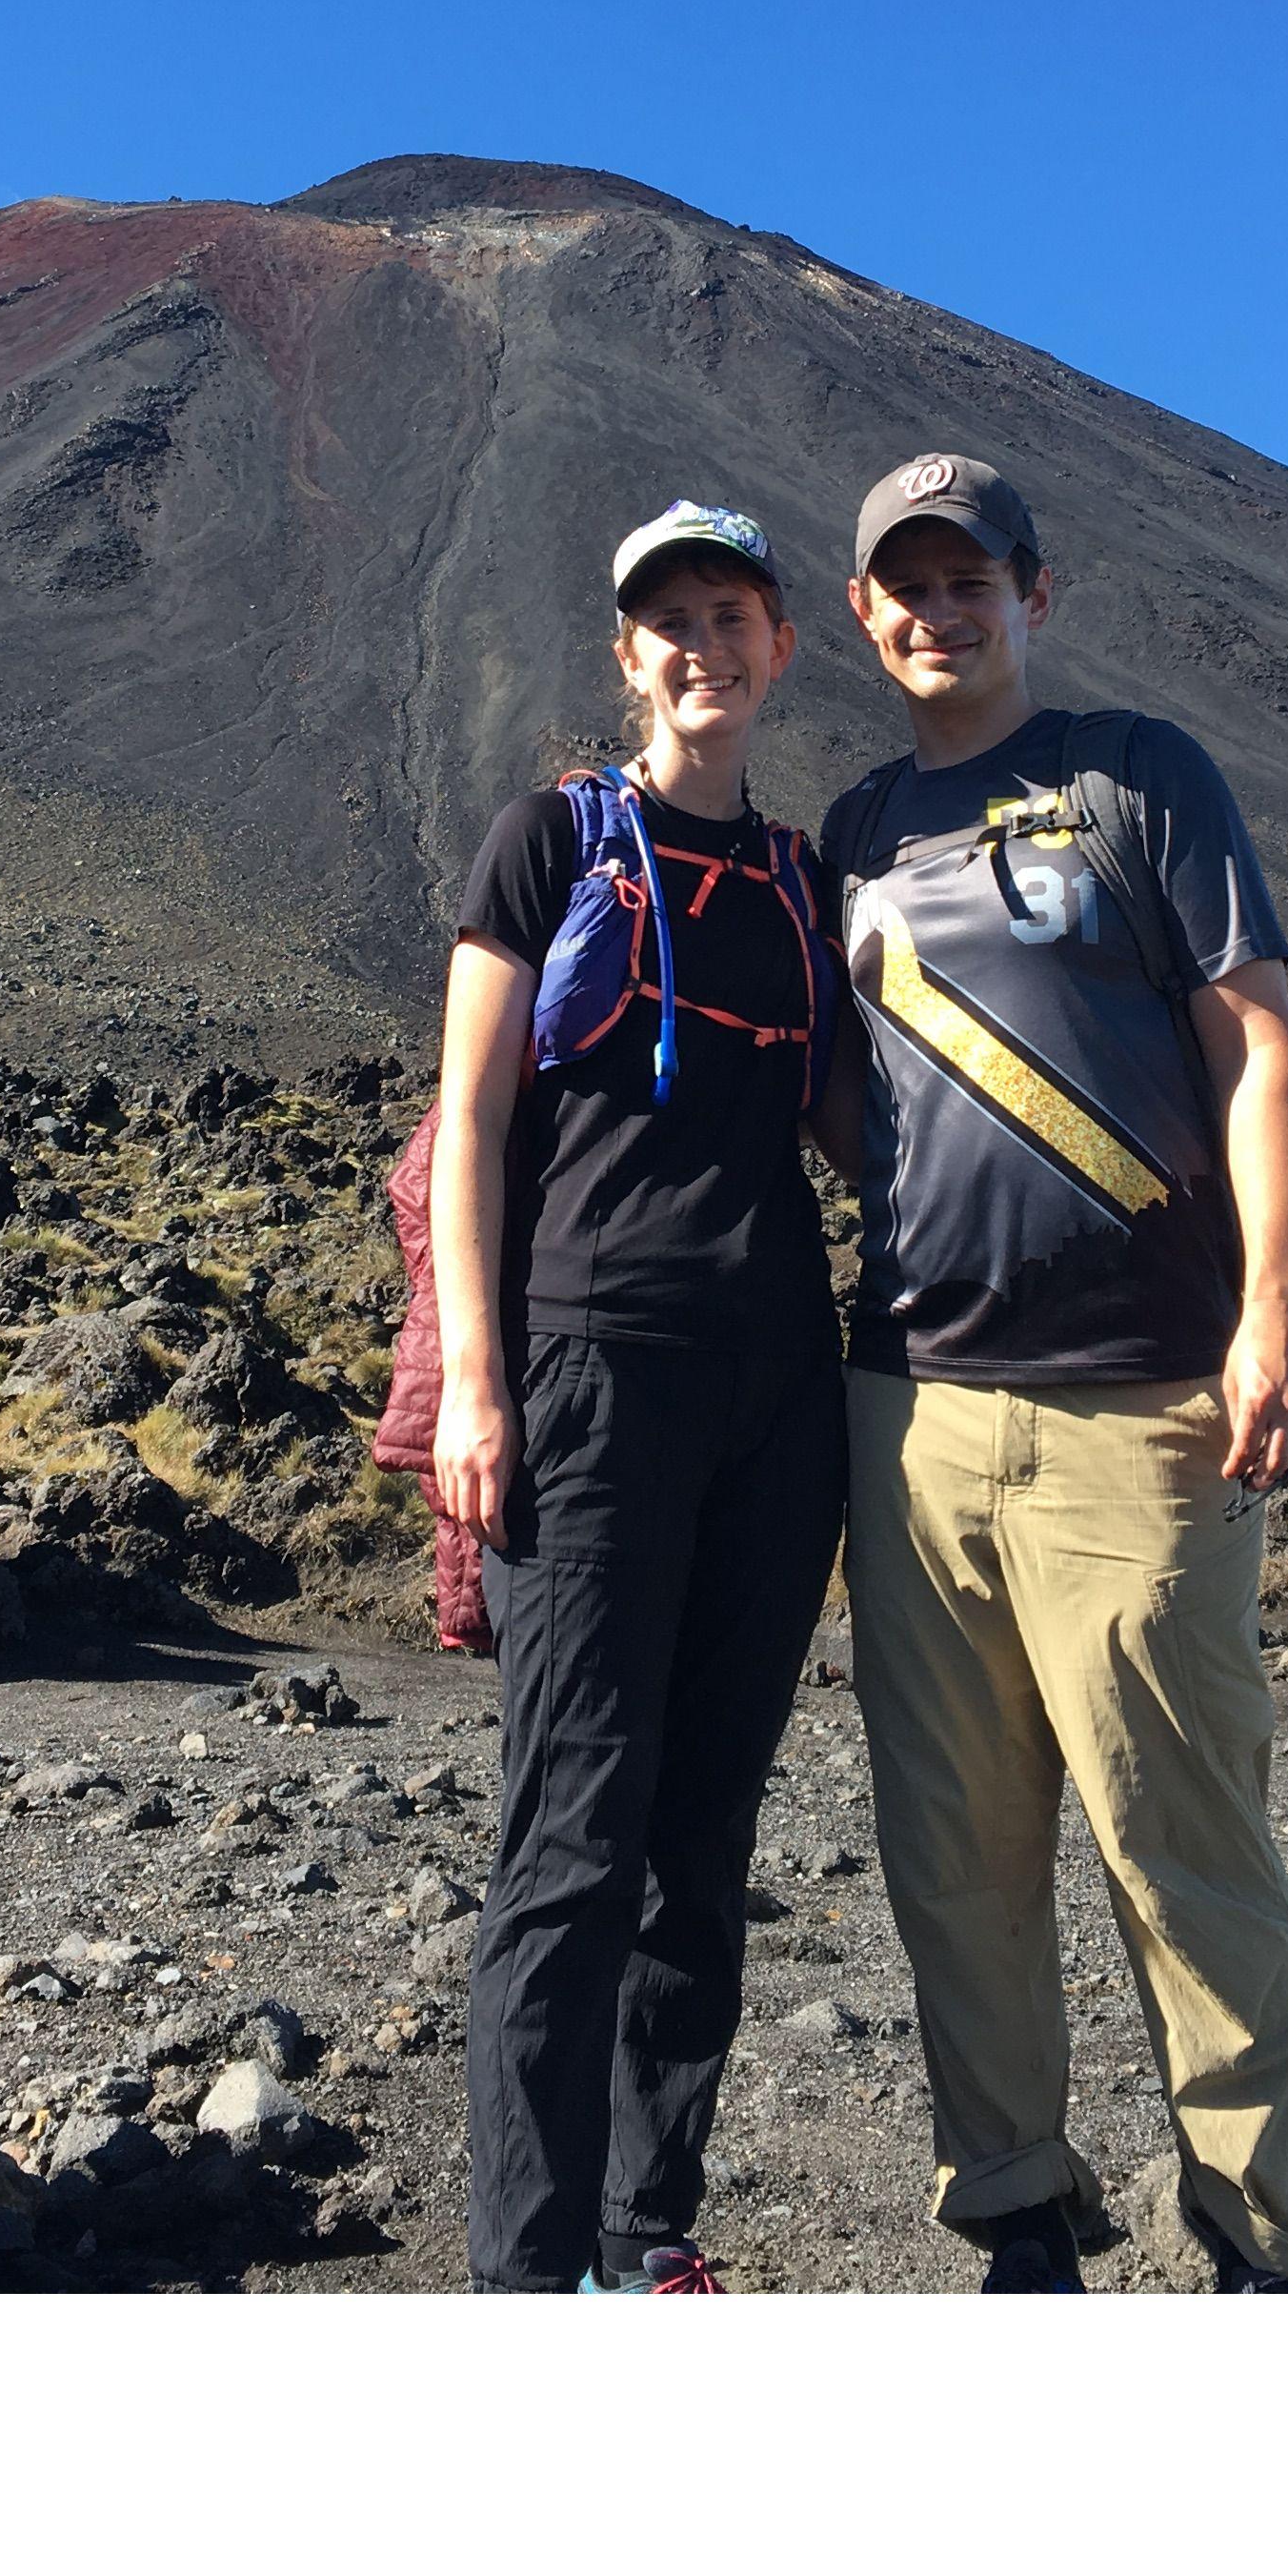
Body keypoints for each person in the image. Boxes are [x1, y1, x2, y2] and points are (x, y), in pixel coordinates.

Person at [820, 451, 1288, 2293]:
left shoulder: (1141, 778)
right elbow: (837, 1107)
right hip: (912, 1408)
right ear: (866, 611)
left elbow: (1257, 1046)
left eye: (973, 578)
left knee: (1179, 1836)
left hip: (1139, 1403)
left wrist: (1273, 1304)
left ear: (1034, 594)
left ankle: (1264, 2227)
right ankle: (1017, 2202)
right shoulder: (853, 831)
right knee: (952, 1842)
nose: (938, 609)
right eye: (906, 583)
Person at [432, 498, 856, 2293]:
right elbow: (473, 1119)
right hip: (592, 1372)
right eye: (667, 619)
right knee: (575, 1834)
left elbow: (859, 1130)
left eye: (731, 614)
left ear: (776, 648)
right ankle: (528, 2278)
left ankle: (646, 2233)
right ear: (629, 656)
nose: (702, 644)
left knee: (705, 1840)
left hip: (781, 1394)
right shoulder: (548, 844)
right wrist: (477, 1378)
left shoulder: (800, 881)